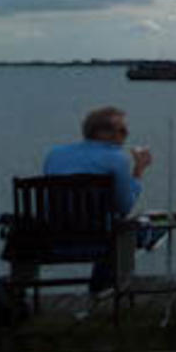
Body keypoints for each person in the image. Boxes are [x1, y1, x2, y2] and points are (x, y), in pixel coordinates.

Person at [42, 106, 153, 292]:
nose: (126, 135)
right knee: (142, 229)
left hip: (54, 239)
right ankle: (111, 286)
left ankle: (18, 291)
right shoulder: (117, 159)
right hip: (99, 239)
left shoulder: (55, 154)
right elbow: (124, 208)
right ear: (101, 133)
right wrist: (138, 171)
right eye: (122, 131)